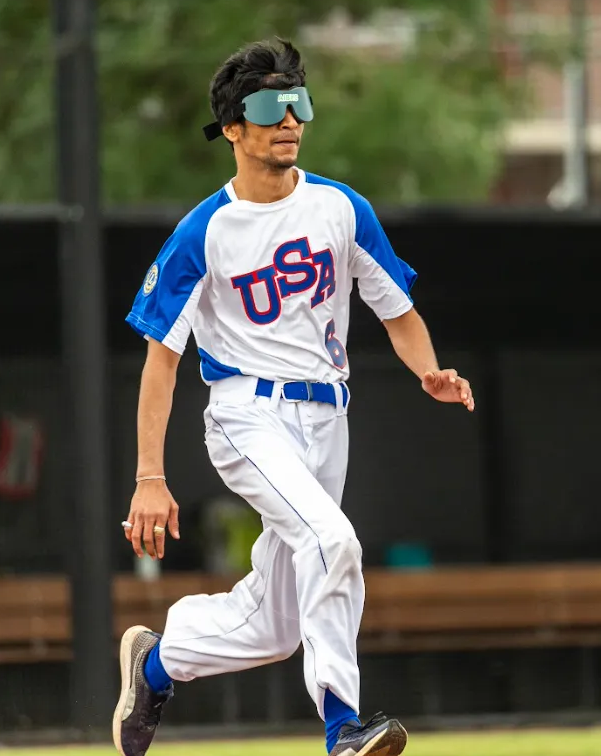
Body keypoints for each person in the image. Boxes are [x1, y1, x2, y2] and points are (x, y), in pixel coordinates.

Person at [113, 38, 475, 756]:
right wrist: (148, 478)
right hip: (247, 414)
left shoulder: (340, 208)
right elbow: (161, 360)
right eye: (270, 105)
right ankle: (343, 727)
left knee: (276, 627)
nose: (290, 119)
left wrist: (426, 369)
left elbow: (395, 308)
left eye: (298, 102)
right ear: (233, 129)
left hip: (324, 417)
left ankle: (156, 663)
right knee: (333, 540)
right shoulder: (203, 231)